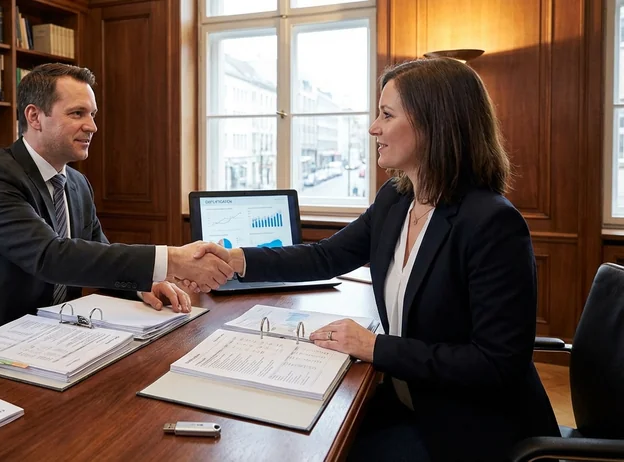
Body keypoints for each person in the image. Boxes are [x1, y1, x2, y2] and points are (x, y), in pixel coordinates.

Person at [191, 58, 559, 461]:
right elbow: (325, 256)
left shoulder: (492, 223)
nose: (373, 128)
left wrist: (376, 347)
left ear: (433, 123)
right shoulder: (396, 200)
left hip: (470, 429)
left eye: (386, 114)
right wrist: (236, 258)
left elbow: (495, 365)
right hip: (408, 401)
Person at [0, 63, 233, 350]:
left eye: (92, 114)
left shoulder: (75, 183)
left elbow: (95, 253)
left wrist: (144, 286)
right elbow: (52, 257)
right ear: (35, 117)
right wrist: (173, 259)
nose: (92, 126)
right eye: (77, 113)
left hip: (52, 336)